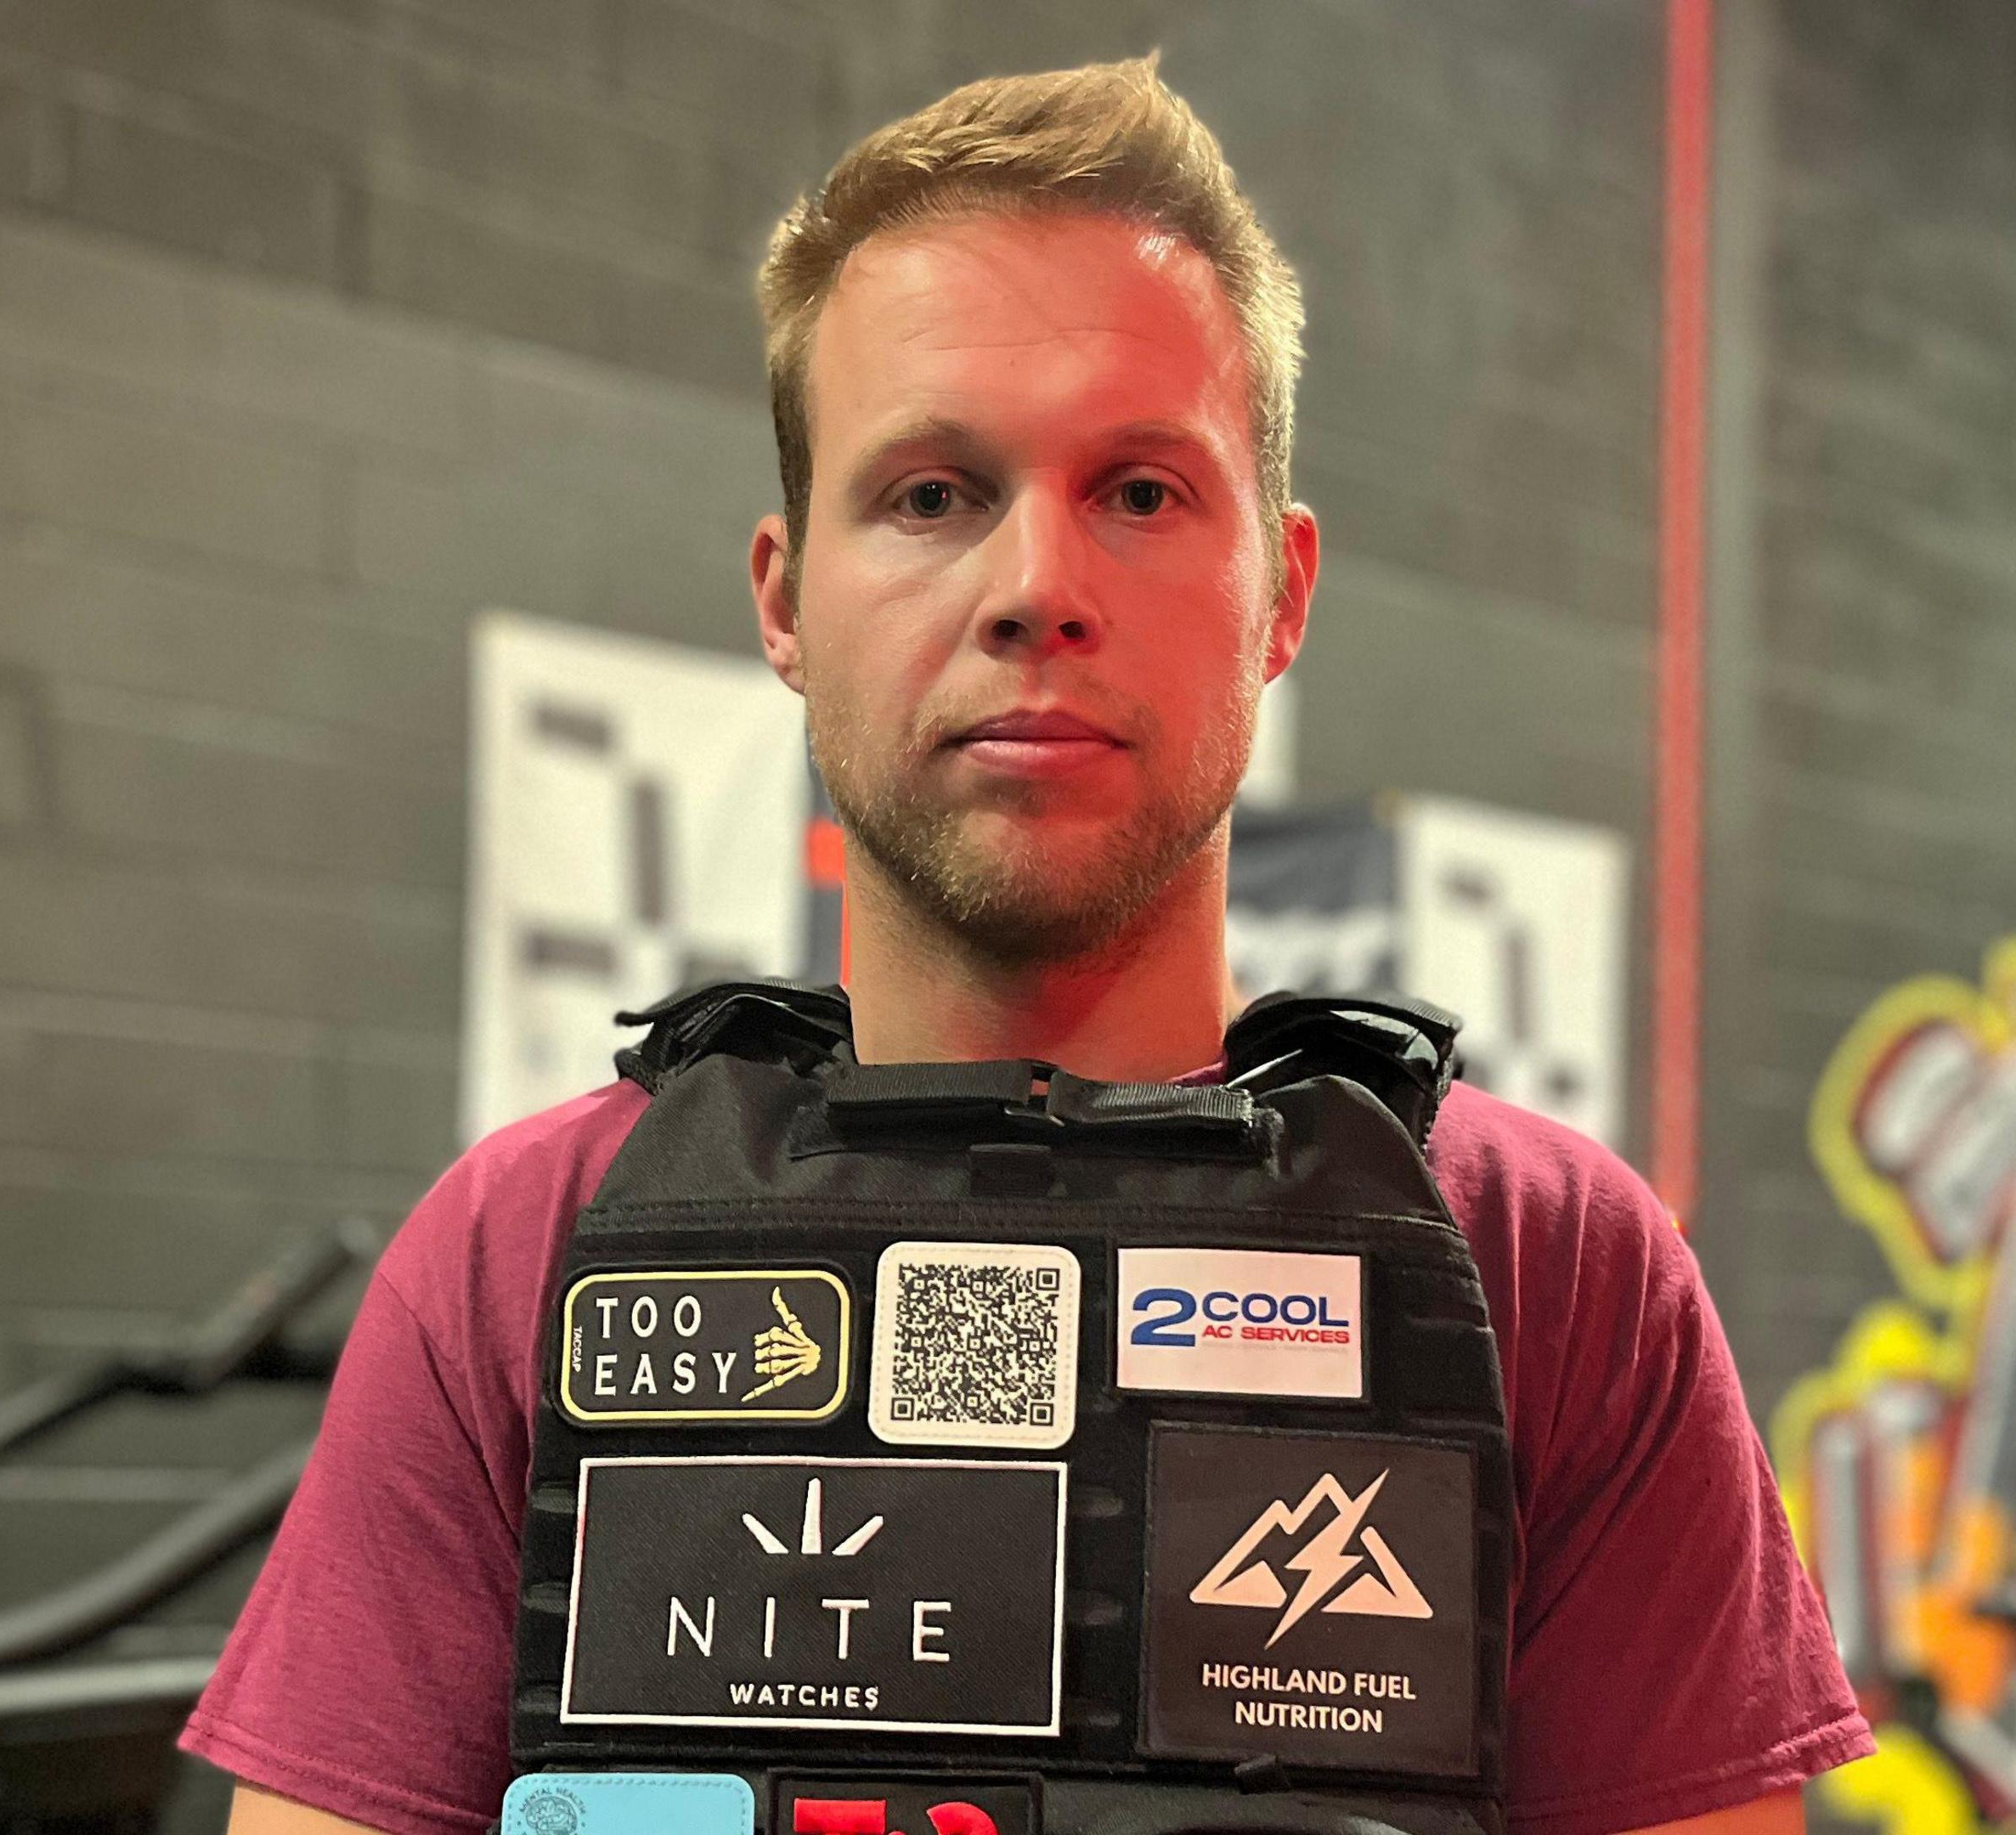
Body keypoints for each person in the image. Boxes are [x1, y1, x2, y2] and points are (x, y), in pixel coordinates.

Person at [181, 54, 1870, 1835]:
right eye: (930, 494)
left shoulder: (1548, 1268)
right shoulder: (518, 1257)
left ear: (1281, 594)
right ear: (781, 598)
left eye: (1141, 493)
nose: (1032, 585)